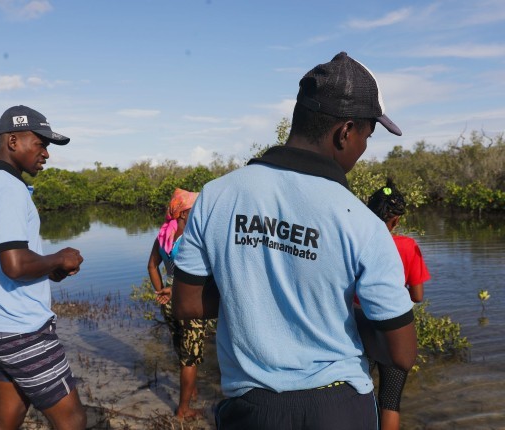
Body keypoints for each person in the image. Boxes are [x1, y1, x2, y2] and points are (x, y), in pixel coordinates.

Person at [172, 52, 418, 430]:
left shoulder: (216, 196)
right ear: (345, 132)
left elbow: (187, 304)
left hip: (252, 409)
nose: (363, 149)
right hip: (341, 409)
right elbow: (401, 354)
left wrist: (256, 305)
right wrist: (336, 319)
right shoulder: (362, 223)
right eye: (367, 137)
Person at [0, 105, 87, 430]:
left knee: (9, 416)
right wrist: (59, 258)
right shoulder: (9, 188)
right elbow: (15, 265)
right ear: (13, 141)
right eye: (41, 143)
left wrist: (46, 269)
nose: (46, 153)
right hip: (23, 330)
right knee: (73, 420)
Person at [355, 178, 431, 430]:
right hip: (392, 328)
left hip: (355, 325)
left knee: (355, 392)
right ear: (396, 220)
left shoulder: (354, 242)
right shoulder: (408, 246)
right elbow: (417, 295)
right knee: (390, 399)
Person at [147, 188, 209, 420]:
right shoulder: (191, 238)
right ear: (183, 214)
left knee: (180, 346)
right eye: (193, 209)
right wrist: (174, 289)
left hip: (169, 301)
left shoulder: (163, 235)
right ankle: (183, 410)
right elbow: (194, 275)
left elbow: (152, 266)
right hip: (188, 299)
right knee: (191, 356)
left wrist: (161, 290)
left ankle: (190, 388)